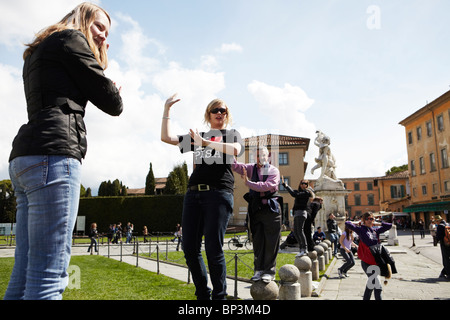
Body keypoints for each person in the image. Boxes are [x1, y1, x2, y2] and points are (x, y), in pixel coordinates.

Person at [4, 2, 123, 300]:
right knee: (48, 278)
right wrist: (111, 84)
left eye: (107, 34)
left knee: (23, 275)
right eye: (99, 27)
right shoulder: (72, 39)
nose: (102, 37)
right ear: (80, 18)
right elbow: (112, 103)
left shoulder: (38, 51)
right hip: (54, 156)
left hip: (25, 158)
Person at [161, 94, 244, 300]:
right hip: (193, 195)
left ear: (227, 115)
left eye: (222, 110)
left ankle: (220, 297)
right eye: (215, 110)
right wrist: (166, 110)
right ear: (208, 114)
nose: (219, 113)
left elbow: (235, 150)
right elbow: (166, 138)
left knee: (213, 248)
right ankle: (202, 295)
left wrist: (204, 142)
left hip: (218, 194)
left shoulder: (231, 134)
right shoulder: (198, 136)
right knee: (189, 248)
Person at [233, 146, 282, 282]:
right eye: (258, 155)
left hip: (271, 209)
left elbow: (266, 185)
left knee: (271, 242)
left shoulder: (273, 170)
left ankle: (269, 271)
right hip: (256, 209)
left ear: (268, 156)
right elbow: (236, 166)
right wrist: (228, 150)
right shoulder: (251, 168)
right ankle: (259, 270)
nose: (261, 158)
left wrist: (248, 183)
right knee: (258, 241)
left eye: (263, 155)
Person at [345, 212, 394, 300]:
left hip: (376, 262)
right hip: (367, 263)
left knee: (371, 285)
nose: (371, 221)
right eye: (368, 219)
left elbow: (389, 225)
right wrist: (359, 222)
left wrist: (376, 223)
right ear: (364, 220)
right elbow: (347, 223)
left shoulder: (375, 231)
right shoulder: (360, 230)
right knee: (378, 287)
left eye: (372, 219)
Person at [281, 178, 314, 257]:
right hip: (297, 213)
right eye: (302, 183)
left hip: (301, 213)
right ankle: (301, 249)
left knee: (300, 231)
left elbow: (293, 194)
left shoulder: (306, 193)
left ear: (307, 185)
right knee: (296, 232)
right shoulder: (299, 192)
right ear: (300, 184)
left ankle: (304, 249)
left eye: (305, 184)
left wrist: (286, 186)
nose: (304, 185)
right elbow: (294, 193)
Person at [434, 215, 450, 280]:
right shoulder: (447, 224)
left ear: (438, 221)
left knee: (446, 259)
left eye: (436, 221)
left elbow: (438, 236)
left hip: (444, 244)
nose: (436, 223)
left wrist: (436, 241)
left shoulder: (440, 226)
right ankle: (443, 272)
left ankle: (448, 274)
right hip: (449, 243)